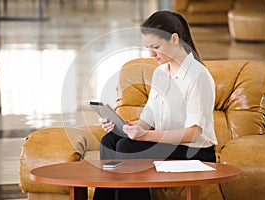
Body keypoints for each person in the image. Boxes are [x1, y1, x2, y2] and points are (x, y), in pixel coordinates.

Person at [93, 10, 218, 200]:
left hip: (194, 151)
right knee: (110, 141)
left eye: (156, 47)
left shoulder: (198, 75)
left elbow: (193, 134)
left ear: (174, 39)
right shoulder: (160, 72)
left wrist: (146, 136)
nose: (151, 54)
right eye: (147, 47)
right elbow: (148, 118)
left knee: (127, 147)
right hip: (164, 143)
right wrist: (127, 126)